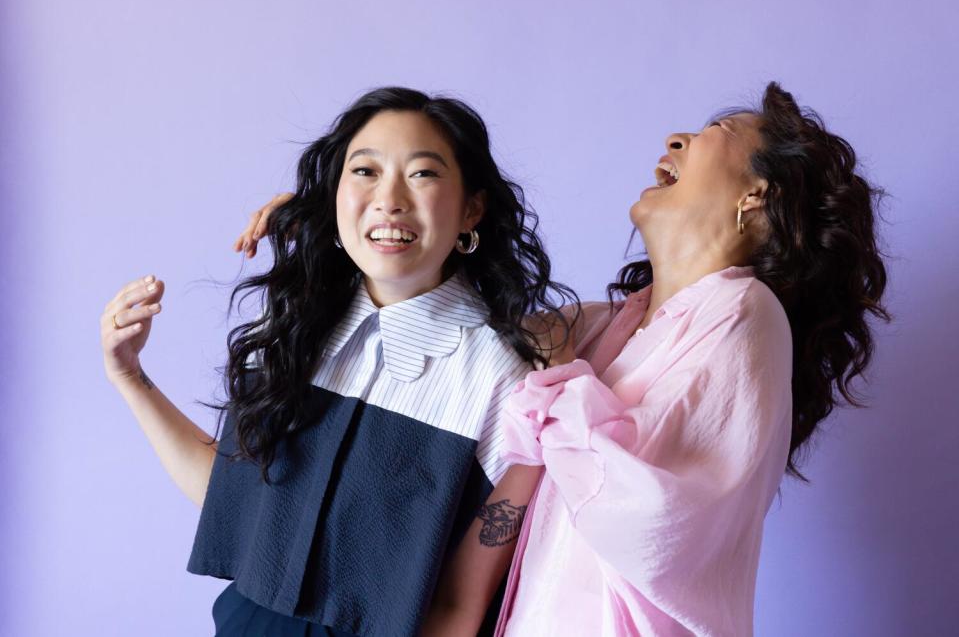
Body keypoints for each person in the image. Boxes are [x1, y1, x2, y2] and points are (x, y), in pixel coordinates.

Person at [240, 82, 889, 636]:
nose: (674, 140)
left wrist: (552, 379)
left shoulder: (746, 314)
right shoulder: (610, 328)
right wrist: (338, 231)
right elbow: (452, 328)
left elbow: (651, 516)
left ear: (756, 195)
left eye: (713, 131)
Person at [100, 87, 577, 636]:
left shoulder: (506, 379)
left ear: (472, 207)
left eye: (423, 174)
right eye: (365, 172)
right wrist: (131, 377)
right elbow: (235, 502)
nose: (389, 199)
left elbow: (459, 609)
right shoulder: (302, 326)